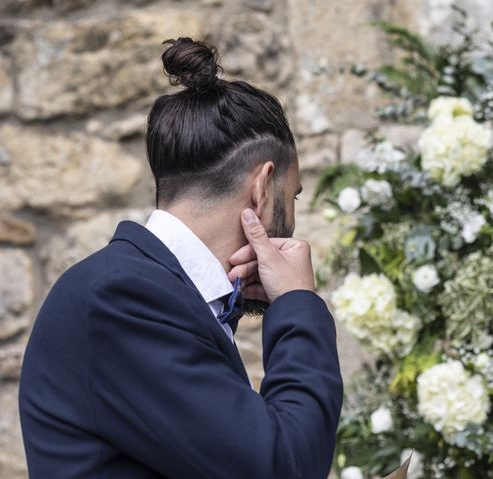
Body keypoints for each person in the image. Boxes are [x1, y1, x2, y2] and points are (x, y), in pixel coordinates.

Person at [18, 37, 343, 479]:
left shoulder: (159, 293)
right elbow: (285, 466)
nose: (294, 218)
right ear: (263, 189)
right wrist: (299, 304)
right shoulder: (121, 298)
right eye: (294, 195)